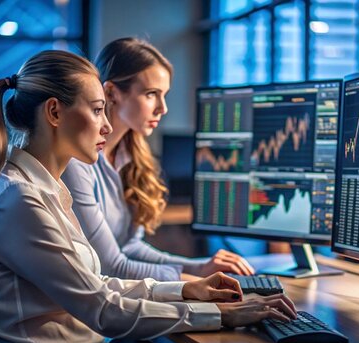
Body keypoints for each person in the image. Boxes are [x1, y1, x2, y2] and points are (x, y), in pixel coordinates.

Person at [0, 50, 296, 343]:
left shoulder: (40, 192)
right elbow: (102, 309)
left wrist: (187, 289)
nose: (107, 126)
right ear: (54, 112)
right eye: (97, 111)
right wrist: (222, 314)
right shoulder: (19, 201)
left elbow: (98, 284)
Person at [62, 38, 255, 282]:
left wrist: (201, 267)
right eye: (151, 94)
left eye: (164, 95)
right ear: (110, 92)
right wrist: (194, 282)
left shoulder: (129, 159)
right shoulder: (77, 163)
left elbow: (131, 247)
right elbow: (109, 265)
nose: (163, 108)